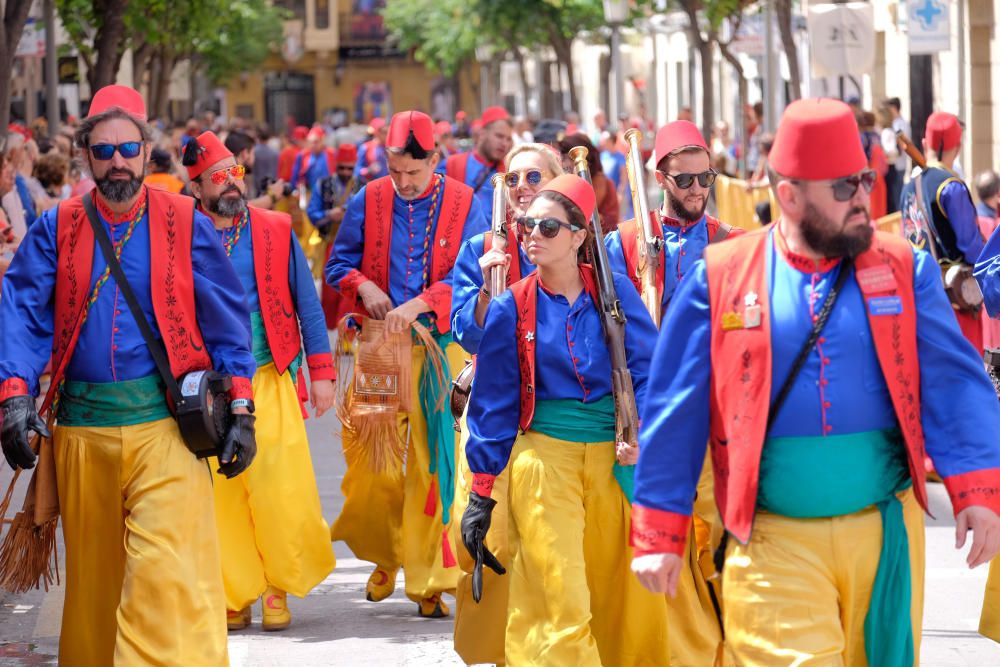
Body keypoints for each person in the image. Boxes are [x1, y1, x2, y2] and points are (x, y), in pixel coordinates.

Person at [632, 97, 1000, 667]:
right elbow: (675, 405)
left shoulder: (907, 269)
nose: (862, 200)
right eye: (844, 188)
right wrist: (660, 527)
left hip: (884, 542)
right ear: (788, 196)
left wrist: (978, 489)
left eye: (864, 181)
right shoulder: (722, 277)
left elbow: (954, 383)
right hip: (771, 543)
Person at [0, 84, 258, 665]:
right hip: (82, 435)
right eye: (103, 150)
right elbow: (21, 312)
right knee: (94, 592)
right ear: (85, 157)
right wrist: (16, 396)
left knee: (163, 578)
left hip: (167, 430)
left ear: (146, 152)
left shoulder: (186, 220)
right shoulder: (55, 226)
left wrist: (242, 408)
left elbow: (226, 318)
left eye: (128, 149)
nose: (117, 161)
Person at [460, 174, 668, 665]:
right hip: (543, 464)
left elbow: (651, 372)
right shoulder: (512, 303)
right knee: (562, 599)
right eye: (527, 225)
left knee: (621, 597)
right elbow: (493, 403)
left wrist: (644, 437)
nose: (531, 234)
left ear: (579, 236)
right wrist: (481, 494)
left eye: (548, 227)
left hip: (616, 466)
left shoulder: (613, 297)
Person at [325, 110, 487, 618]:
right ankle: (384, 554)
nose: (404, 183)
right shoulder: (368, 199)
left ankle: (429, 578)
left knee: (431, 464)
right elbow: (336, 264)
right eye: (396, 171)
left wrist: (422, 303)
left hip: (438, 349)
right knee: (372, 466)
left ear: (435, 161)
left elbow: (476, 272)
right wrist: (364, 285)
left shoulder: (465, 202)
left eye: (414, 174)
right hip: (379, 347)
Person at [183, 131, 336, 633]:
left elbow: (306, 304)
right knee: (223, 496)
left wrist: (322, 373)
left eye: (236, 172)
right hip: (210, 389)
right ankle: (235, 592)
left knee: (277, 490)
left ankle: (275, 587)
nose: (231, 183)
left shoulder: (274, 227)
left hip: (270, 376)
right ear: (197, 186)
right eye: (218, 176)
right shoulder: (181, 233)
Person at [605, 118, 739, 666]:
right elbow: (614, 335)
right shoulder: (624, 244)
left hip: (716, 420)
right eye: (685, 181)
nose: (697, 191)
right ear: (660, 177)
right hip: (649, 416)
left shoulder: (731, 245)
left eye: (705, 178)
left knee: (719, 542)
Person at [449, 143, 560, 663]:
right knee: (482, 532)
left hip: (555, 417)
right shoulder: (478, 248)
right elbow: (466, 333)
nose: (521, 187)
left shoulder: (580, 244)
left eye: (534, 176)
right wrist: (488, 295)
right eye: (512, 179)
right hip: (492, 412)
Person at [899, 111, 985, 351]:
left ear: (925, 143)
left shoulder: (907, 188)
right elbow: (972, 247)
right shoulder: (951, 187)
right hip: (954, 299)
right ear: (958, 147)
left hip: (917, 295)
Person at [308, 143, 358, 328]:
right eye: (341, 168)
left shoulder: (362, 186)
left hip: (355, 247)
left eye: (349, 168)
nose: (345, 172)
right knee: (330, 291)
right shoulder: (324, 184)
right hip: (330, 244)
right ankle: (331, 330)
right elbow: (312, 212)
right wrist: (329, 215)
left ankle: (348, 332)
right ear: (335, 166)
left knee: (350, 292)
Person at [446, 106, 513, 216]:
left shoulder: (510, 172)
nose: (504, 144)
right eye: (499, 136)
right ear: (482, 134)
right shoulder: (453, 164)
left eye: (508, 139)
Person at [557, 133, 620, 233]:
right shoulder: (562, 183)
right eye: (561, 158)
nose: (563, 164)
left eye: (565, 158)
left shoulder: (603, 183)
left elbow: (610, 223)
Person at [882, 97, 911, 214]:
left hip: (898, 164)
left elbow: (902, 143)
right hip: (898, 164)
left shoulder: (899, 124)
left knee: (896, 197)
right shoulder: (899, 123)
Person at [291, 126, 336, 192]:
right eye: (311, 142)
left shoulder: (331, 154)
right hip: (309, 193)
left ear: (322, 141)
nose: (313, 145)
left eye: (316, 142)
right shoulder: (303, 155)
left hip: (329, 192)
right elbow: (295, 177)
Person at [354, 117, 388, 186]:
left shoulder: (393, 148)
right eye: (384, 132)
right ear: (376, 132)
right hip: (371, 186)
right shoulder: (366, 147)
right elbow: (356, 170)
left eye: (388, 132)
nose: (387, 134)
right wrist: (368, 170)